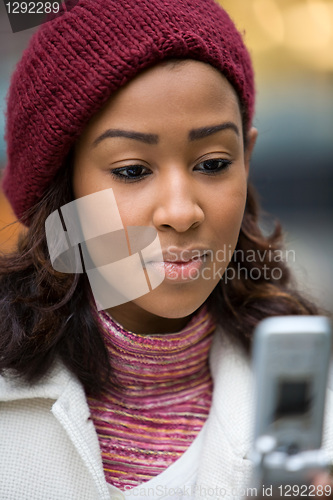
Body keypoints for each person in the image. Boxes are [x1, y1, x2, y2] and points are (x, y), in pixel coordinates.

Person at [0, 1, 332, 499]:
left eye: (214, 163)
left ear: (249, 159)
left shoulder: (319, 409)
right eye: (132, 170)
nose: (180, 211)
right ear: (62, 190)